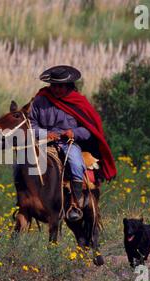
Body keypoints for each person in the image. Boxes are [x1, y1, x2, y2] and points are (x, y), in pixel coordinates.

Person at [28, 65, 116, 221]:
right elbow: (31, 124)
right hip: (43, 143)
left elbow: (90, 128)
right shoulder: (40, 100)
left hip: (67, 144)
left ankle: (76, 202)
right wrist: (46, 134)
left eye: (61, 86)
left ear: (68, 86)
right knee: (24, 163)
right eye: (54, 86)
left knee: (76, 163)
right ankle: (25, 202)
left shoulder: (78, 102)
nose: (57, 89)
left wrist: (73, 133)